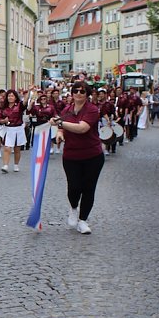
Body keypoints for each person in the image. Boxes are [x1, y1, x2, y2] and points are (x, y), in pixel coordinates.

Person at [50, 81, 104, 234]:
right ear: (72, 93)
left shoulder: (92, 110)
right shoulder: (67, 110)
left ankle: (83, 220)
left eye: (82, 91)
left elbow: (82, 128)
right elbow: (61, 128)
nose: (79, 93)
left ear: (87, 94)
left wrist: (60, 123)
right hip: (71, 155)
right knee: (73, 187)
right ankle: (73, 207)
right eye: (76, 91)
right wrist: (60, 133)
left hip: (92, 156)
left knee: (88, 188)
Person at [0, 89, 26, 173]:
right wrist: (4, 121)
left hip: (18, 128)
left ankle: (16, 164)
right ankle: (5, 165)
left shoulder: (19, 105)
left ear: (15, 97)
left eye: (12, 96)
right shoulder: (3, 107)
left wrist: (28, 92)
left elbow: (25, 102)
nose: (10, 97)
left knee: (17, 149)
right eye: (9, 96)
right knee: (7, 147)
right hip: (8, 129)